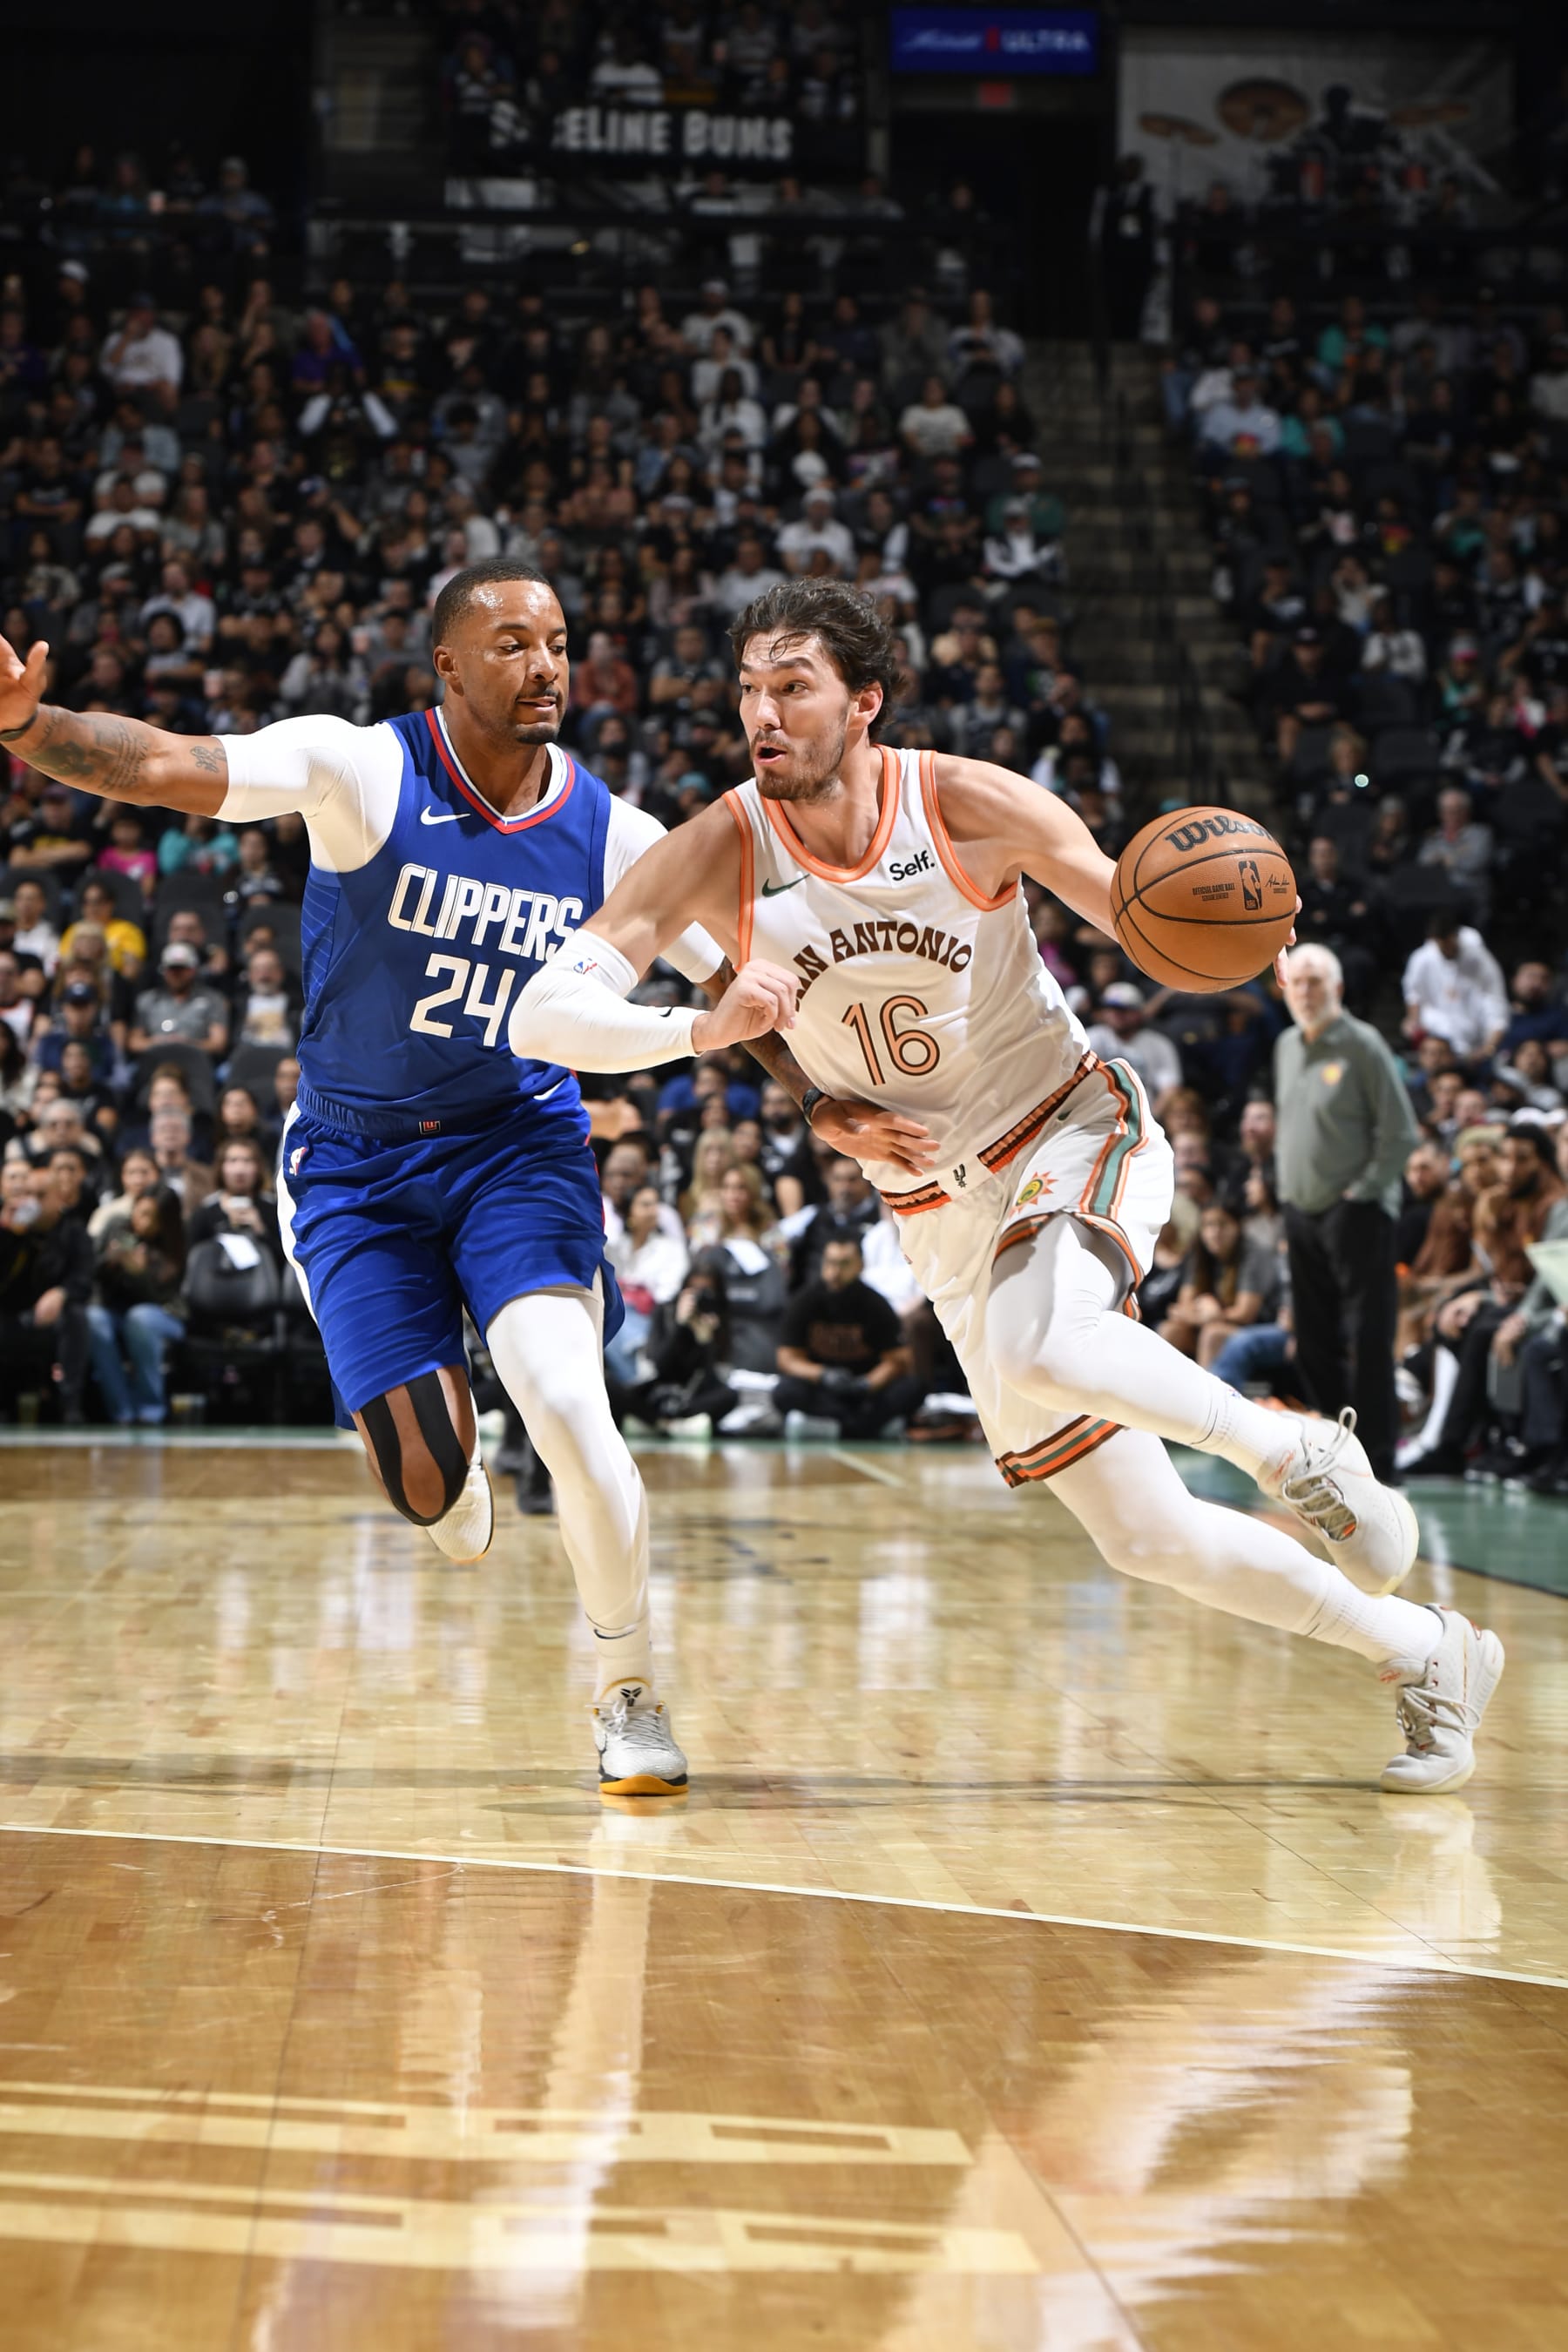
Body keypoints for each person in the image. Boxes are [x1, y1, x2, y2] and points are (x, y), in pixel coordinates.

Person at [510, 576, 1504, 1796]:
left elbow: (1137, 920)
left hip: (1066, 1126)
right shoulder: (717, 845)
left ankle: (1297, 1451)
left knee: (1050, 1339)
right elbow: (546, 1012)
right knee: (1144, 1535)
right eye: (748, 691)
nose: (762, 715)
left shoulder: (967, 803)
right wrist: (715, 1040)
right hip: (939, 1209)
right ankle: (1432, 1653)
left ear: (865, 700)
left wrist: (1232, 936)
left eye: (794, 688)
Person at [0, 565, 724, 1799]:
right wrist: (29, 730)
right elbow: (172, 766)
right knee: (435, 1493)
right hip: (353, 1165)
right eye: (511, 644)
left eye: (559, 643)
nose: (545, 665)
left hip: (517, 1146)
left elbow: (748, 973)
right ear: (447, 665)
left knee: (569, 1405)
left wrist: (850, 1082)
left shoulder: (621, 835)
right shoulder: (363, 769)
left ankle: (627, 1690)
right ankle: (449, 1469)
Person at [1274, 945, 1419, 1484]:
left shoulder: (1362, 1044)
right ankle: (1334, 1451)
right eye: (1298, 983)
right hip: (1301, 1210)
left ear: (1337, 988)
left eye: (1315, 982)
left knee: (1368, 1335)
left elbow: (1401, 1134)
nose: (1305, 992)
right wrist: (1287, 1192)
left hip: (1356, 1212)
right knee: (1312, 1339)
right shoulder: (1287, 1044)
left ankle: (1380, 1459)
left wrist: (1364, 1191)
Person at [775, 1233, 925, 1439]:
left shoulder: (875, 1304)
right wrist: (822, 1375)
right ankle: (865, 1428)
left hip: (865, 1391)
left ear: (860, 1266)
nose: (835, 1271)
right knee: (785, 1391)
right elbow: (787, 1358)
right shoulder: (804, 1301)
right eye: (830, 1262)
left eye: (844, 1264)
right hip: (823, 1389)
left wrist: (867, 1384)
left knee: (913, 1388)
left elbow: (899, 1360)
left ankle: (832, 1428)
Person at [86, 1184, 186, 1424]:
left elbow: (164, 1298)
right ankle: (121, 1411)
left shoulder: (177, 1242)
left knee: (140, 1317)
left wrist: (139, 1274)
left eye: (148, 1216)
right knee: (93, 1318)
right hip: (116, 1311)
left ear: (164, 1220)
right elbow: (90, 1275)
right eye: (137, 1211)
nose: (138, 1219)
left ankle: (151, 1410)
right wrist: (109, 1263)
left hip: (166, 1315)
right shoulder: (117, 1227)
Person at [0, 1160, 92, 1422]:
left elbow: (84, 1277)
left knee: (76, 1316)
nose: (32, 1202)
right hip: (9, 1315)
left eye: (40, 1196)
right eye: (25, 1195)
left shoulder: (73, 1231)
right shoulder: (8, 1230)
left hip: (51, 1319)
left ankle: (70, 1405)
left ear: (59, 1197)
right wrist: (9, 1235)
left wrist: (62, 1292)